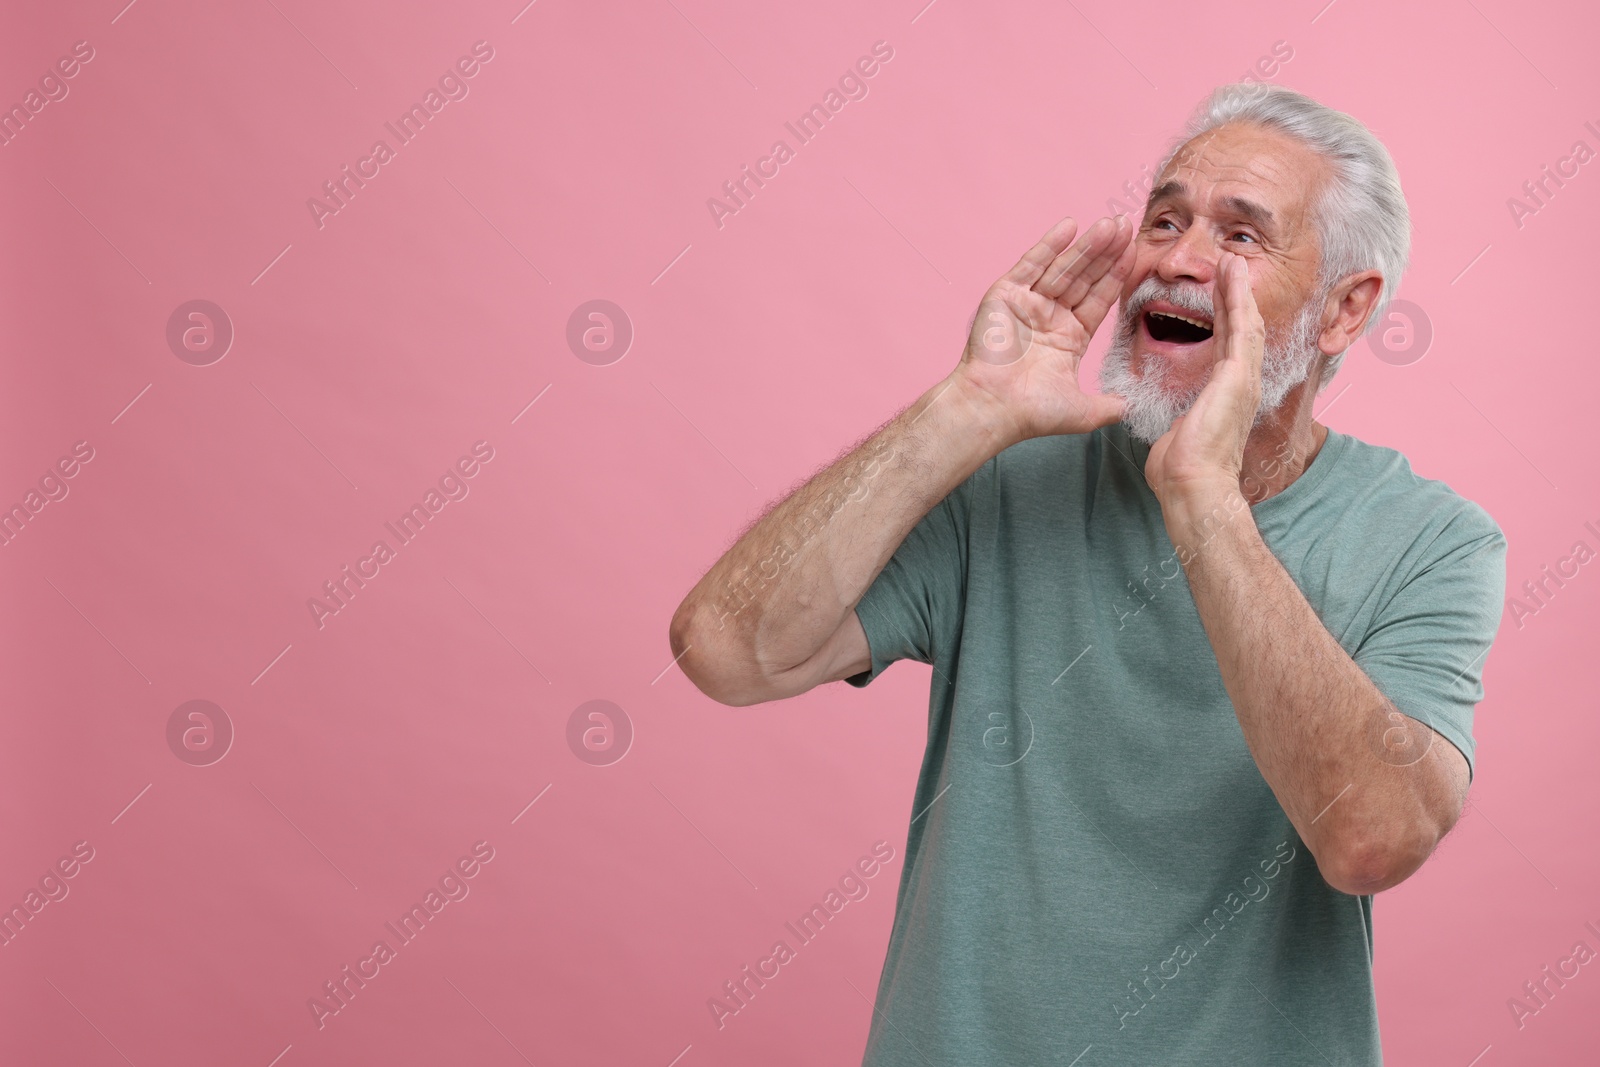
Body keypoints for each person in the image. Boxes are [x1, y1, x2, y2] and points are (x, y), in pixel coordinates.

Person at [668, 82, 1506, 1065]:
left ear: (1344, 308)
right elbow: (726, 652)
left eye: (1239, 237)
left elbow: (1373, 836)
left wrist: (1203, 498)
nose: (1175, 260)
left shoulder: (1431, 541)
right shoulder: (1002, 484)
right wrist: (961, 412)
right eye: (1164, 218)